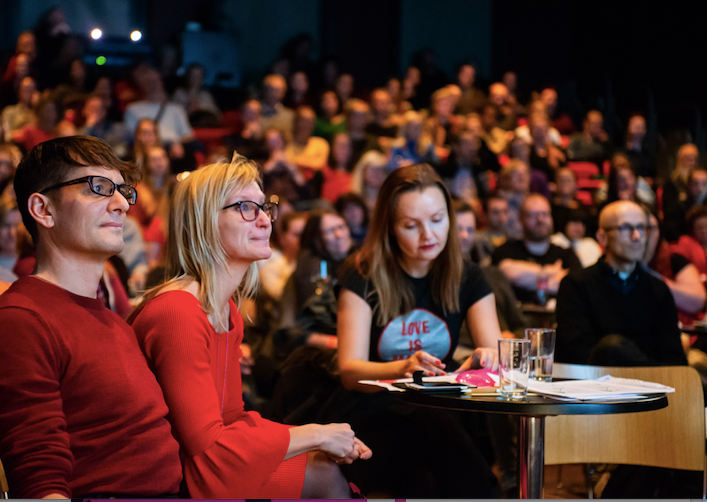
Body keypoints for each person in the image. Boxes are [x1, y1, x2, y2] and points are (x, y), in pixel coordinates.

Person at [128, 156, 371, 499]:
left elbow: (233, 417)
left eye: (264, 207)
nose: (264, 220)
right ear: (204, 222)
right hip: (178, 477)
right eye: (245, 207)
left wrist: (315, 438)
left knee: (332, 462)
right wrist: (315, 434)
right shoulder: (178, 311)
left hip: (204, 464)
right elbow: (207, 447)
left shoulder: (225, 309)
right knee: (324, 472)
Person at [0, 136, 182, 498]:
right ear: (43, 209)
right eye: (98, 187)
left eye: (122, 190)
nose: (120, 204)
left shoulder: (114, 321)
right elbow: (40, 478)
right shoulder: (22, 319)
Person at [333, 163, 501, 498]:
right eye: (411, 226)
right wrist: (403, 368)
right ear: (390, 228)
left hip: (437, 417)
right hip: (372, 419)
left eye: (438, 220)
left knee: (426, 480)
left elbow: (493, 352)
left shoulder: (468, 277)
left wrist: (487, 358)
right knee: (430, 420)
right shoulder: (362, 275)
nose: (429, 235)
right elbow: (349, 371)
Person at [555, 200, 687, 366]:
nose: (637, 237)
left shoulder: (658, 289)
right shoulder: (576, 284)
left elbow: (674, 357)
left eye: (641, 228)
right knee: (611, 347)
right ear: (602, 237)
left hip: (651, 386)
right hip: (593, 384)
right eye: (626, 228)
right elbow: (575, 354)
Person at [492, 193, 582, 304]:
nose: (540, 219)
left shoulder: (566, 254)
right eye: (533, 215)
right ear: (521, 219)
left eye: (545, 214)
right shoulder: (506, 250)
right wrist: (549, 272)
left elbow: (575, 282)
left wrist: (538, 282)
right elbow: (507, 273)